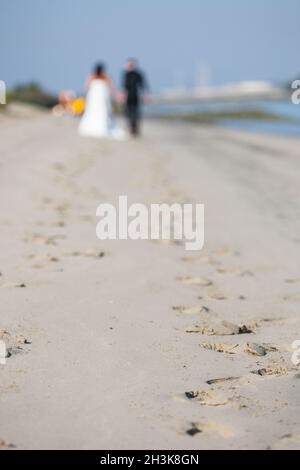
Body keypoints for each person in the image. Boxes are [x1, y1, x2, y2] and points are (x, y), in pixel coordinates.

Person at [79, 63, 124, 139]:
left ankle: (93, 127)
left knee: (94, 111)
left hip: (95, 98)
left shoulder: (92, 77)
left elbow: (87, 87)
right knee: (102, 111)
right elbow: (112, 87)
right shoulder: (105, 77)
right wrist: (116, 95)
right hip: (101, 98)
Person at [122, 59, 148, 136]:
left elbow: (142, 85)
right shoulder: (126, 74)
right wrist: (123, 95)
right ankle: (131, 127)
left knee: (136, 112)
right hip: (128, 96)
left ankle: (135, 127)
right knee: (128, 112)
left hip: (136, 95)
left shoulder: (138, 74)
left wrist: (145, 95)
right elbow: (124, 86)